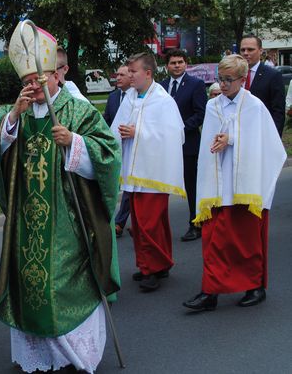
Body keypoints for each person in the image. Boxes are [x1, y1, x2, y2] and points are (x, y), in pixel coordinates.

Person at [0, 21, 121, 373]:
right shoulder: (21, 113)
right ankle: (37, 356)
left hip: (69, 217)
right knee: (29, 283)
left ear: (57, 75)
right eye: (27, 81)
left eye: (39, 79)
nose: (33, 86)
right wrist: (12, 117)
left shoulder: (78, 110)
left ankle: (76, 356)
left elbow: (108, 153)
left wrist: (75, 142)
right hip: (27, 218)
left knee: (64, 284)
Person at [183, 54, 286, 311]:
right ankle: (210, 291)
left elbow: (266, 146)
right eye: (221, 79)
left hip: (245, 187)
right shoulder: (212, 106)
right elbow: (209, 136)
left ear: (243, 80)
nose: (224, 84)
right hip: (218, 185)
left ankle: (254, 286)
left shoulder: (254, 106)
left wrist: (231, 140)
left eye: (229, 79)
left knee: (245, 240)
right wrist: (217, 143)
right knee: (214, 240)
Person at [111, 52, 185, 291]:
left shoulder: (163, 101)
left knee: (150, 224)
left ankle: (151, 268)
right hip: (134, 174)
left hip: (153, 173)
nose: (129, 76)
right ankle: (157, 263)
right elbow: (115, 129)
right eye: (129, 71)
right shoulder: (130, 97)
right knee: (142, 223)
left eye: (133, 72)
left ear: (148, 73)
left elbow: (175, 136)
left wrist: (138, 133)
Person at [159, 49, 207, 242]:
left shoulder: (196, 84)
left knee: (192, 186)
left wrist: (179, 129)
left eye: (180, 62)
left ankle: (196, 223)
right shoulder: (160, 86)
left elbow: (200, 113)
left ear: (186, 64)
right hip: (165, 146)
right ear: (167, 66)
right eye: (173, 63)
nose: (177, 65)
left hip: (188, 145)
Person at [104, 64, 132, 237]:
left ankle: (120, 222)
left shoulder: (138, 98)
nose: (118, 78)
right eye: (117, 75)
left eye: (122, 75)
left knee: (130, 187)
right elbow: (106, 121)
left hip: (131, 148)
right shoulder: (113, 97)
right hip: (115, 148)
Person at [239, 35, 285, 135]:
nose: (246, 53)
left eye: (250, 49)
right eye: (243, 50)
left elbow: (278, 112)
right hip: (237, 133)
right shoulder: (235, 74)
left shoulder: (273, 75)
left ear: (260, 51)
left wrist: (274, 138)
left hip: (262, 132)